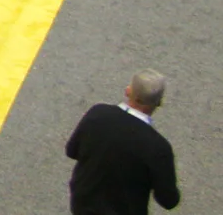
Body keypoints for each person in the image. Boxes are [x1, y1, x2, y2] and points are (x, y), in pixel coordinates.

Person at [65, 72, 181, 215]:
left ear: (128, 91)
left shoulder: (98, 113)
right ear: (158, 103)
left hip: (83, 205)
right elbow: (168, 200)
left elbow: (71, 151)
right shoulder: (158, 147)